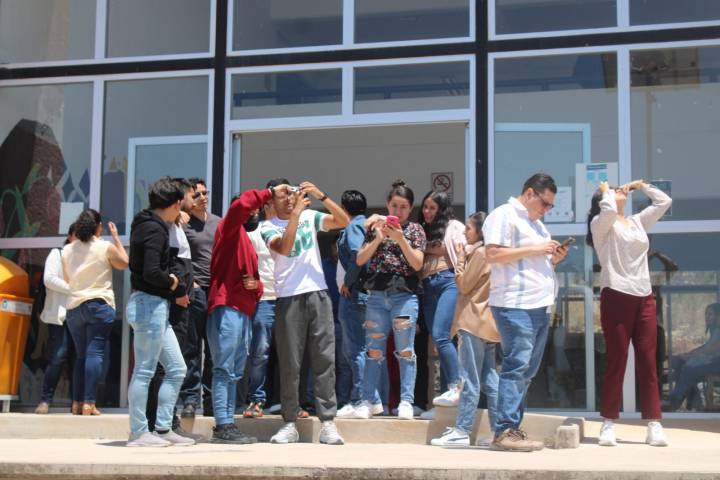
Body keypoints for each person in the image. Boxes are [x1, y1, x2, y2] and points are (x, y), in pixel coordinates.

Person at [483, 173, 568, 452]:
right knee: (516, 366)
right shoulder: (504, 215)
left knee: (527, 372)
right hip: (514, 304)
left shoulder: (538, 225)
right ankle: (504, 430)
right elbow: (492, 254)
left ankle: (512, 430)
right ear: (530, 193)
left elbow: (533, 263)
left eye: (551, 206)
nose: (547, 210)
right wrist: (535, 248)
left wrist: (552, 259)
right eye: (545, 203)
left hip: (538, 306)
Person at [260, 180, 349, 445]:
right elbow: (285, 248)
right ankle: (289, 422)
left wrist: (322, 195)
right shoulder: (267, 227)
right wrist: (296, 214)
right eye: (284, 194)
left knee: (325, 359)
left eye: (293, 192)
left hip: (318, 292)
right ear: (271, 201)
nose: (290, 197)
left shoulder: (310, 216)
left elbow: (343, 221)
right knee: (291, 363)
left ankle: (328, 422)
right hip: (288, 297)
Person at [588, 179, 672, 447]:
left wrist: (642, 186)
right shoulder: (601, 224)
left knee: (648, 361)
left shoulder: (637, 222)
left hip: (644, 296)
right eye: (615, 190)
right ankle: (608, 423)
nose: (621, 190)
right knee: (617, 360)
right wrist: (605, 191)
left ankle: (654, 424)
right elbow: (609, 211)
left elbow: (664, 202)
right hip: (616, 294)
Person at [206, 184, 286, 443]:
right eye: (253, 211)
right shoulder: (228, 228)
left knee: (235, 372)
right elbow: (241, 207)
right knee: (224, 369)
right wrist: (269, 193)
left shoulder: (247, 240)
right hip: (226, 308)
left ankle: (228, 423)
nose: (255, 214)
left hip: (243, 310)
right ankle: (223, 424)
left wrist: (256, 286)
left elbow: (255, 282)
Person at [126, 177, 193, 447]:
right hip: (148, 306)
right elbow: (151, 271)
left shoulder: (148, 225)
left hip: (154, 307)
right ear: (176, 204)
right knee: (144, 370)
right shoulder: (154, 229)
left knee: (177, 368)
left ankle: (163, 429)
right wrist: (174, 283)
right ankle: (138, 432)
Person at [354, 180, 426, 420]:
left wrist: (400, 238)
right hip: (377, 295)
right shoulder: (376, 226)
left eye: (404, 207)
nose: (398, 211)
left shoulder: (415, 230)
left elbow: (417, 263)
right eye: (394, 205)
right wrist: (378, 237)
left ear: (411, 208)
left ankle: (406, 401)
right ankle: (368, 400)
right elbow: (360, 259)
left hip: (404, 294)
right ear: (387, 205)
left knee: (405, 350)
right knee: (373, 351)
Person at [431, 211, 500, 447]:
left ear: (480, 231)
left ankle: (462, 430)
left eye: (468, 228)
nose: (464, 232)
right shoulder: (491, 252)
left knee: (469, 378)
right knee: (490, 378)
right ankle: (499, 430)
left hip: (472, 321)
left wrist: (460, 259)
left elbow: (462, 284)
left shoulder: (479, 254)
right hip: (487, 322)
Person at [145, 178, 202, 440]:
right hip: (172, 303)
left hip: (183, 302)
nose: (195, 200)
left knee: (175, 363)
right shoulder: (164, 225)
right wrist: (177, 293)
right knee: (164, 365)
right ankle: (158, 424)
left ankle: (167, 421)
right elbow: (166, 266)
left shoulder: (178, 224)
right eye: (192, 195)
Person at [62, 209, 128, 416]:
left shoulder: (67, 250)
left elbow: (67, 278)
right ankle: (89, 403)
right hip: (99, 304)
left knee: (81, 356)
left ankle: (76, 403)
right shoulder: (104, 246)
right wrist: (116, 238)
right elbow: (124, 262)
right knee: (95, 354)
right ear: (98, 227)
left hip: (74, 307)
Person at [335, 190, 384, 419]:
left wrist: (348, 281)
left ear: (343, 208)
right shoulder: (367, 225)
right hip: (367, 294)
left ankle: (362, 399)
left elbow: (357, 256)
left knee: (355, 350)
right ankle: (372, 399)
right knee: (362, 349)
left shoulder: (354, 226)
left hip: (355, 294)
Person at [418, 191, 466, 407]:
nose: (427, 212)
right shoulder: (421, 229)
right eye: (425, 207)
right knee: (441, 340)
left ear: (442, 209)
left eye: (432, 208)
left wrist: (425, 248)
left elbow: (461, 250)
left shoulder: (453, 226)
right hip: (428, 287)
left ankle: (456, 385)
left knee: (441, 335)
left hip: (448, 282)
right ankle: (447, 397)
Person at [183, 178, 221, 417]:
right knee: (192, 348)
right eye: (197, 195)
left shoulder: (218, 222)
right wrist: (191, 284)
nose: (203, 197)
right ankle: (189, 399)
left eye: (205, 193)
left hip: (216, 291)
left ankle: (210, 400)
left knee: (214, 348)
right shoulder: (183, 223)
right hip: (195, 290)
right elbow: (178, 257)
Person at [35, 224, 77, 414]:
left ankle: (77, 401)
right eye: (77, 235)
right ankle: (45, 400)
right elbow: (49, 279)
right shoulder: (57, 253)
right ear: (69, 236)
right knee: (58, 356)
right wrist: (74, 289)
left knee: (78, 359)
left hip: (79, 315)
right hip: (60, 315)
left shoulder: (85, 257)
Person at [244, 188, 277, 418]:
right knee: (260, 352)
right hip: (264, 299)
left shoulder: (293, 228)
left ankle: (292, 401)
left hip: (289, 297)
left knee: (292, 354)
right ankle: (256, 399)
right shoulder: (254, 232)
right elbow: (244, 264)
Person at [669, 303, 720, 410]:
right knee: (681, 366)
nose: (707, 317)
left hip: (716, 365)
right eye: (706, 314)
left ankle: (677, 401)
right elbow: (705, 347)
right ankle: (692, 403)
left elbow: (711, 349)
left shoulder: (718, 331)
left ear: (718, 316)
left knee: (688, 369)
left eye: (710, 314)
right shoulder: (714, 331)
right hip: (712, 363)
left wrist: (690, 356)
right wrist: (689, 354)